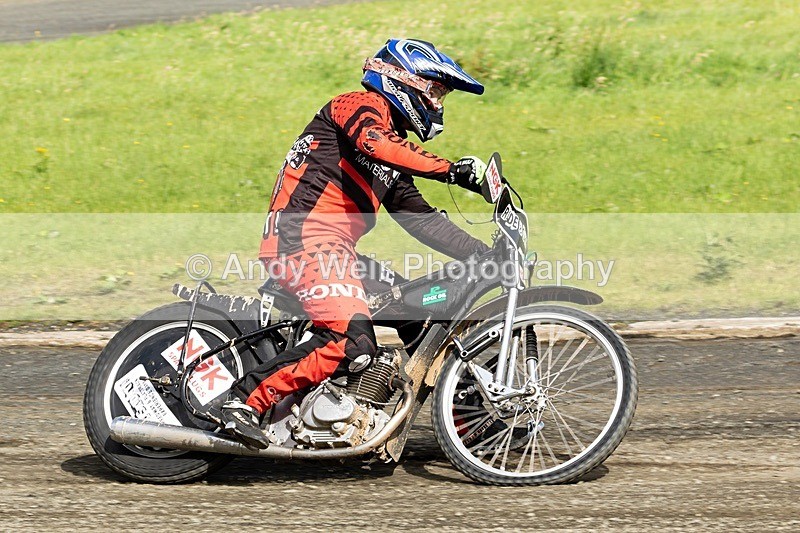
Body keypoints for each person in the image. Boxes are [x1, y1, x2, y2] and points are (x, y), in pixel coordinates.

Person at [219, 38, 491, 449]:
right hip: (302, 240)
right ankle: (242, 402)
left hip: (336, 250)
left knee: (419, 313)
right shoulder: (354, 106)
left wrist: (481, 254)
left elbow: (420, 219)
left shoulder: (391, 152)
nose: (437, 104)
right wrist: (452, 171)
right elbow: (373, 141)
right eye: (434, 91)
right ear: (403, 79)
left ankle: (471, 417)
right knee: (350, 339)